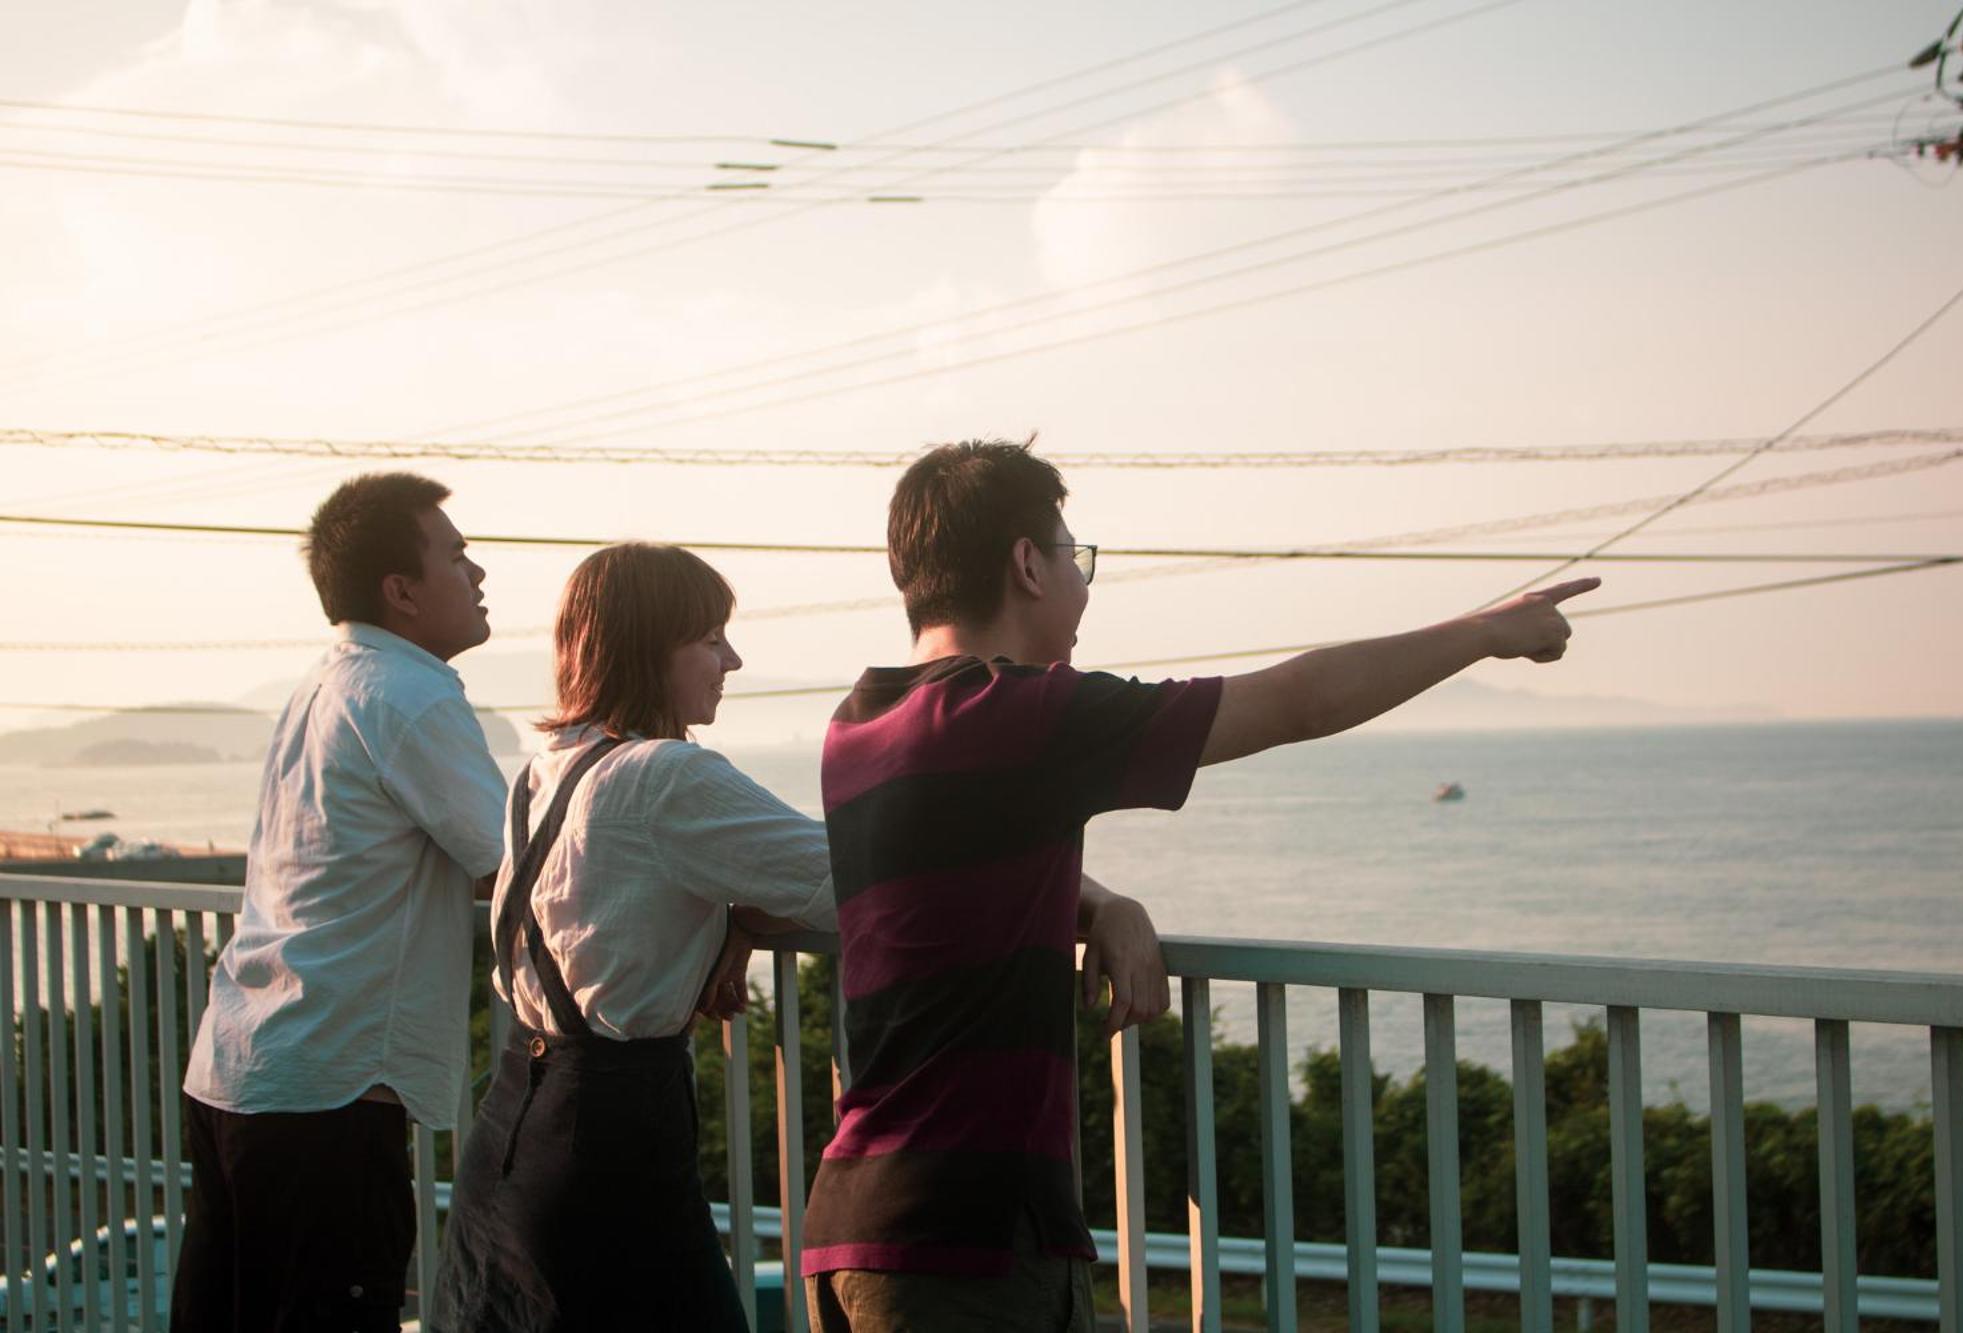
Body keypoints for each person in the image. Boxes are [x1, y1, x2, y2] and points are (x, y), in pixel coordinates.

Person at [802, 440, 1598, 1332]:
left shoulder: (859, 722)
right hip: (970, 1241)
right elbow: (1298, 701)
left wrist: (1102, 902)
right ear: (1027, 563)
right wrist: (1488, 632)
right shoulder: (1027, 714)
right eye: (1076, 556)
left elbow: (949, 870)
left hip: (859, 1222)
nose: (1085, 584)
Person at [432, 542, 832, 1332]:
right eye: (711, 638)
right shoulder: (667, 775)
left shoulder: (547, 769)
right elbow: (860, 881)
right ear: (653, 650)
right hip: (613, 1143)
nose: (733, 659)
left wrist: (732, 917)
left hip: (513, 1124)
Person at [177, 472, 506, 1332]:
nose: (478, 574)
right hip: (326, 1093)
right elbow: (515, 863)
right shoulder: (411, 691)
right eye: (457, 556)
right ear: (400, 591)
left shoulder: (326, 684)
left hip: (239, 1068)